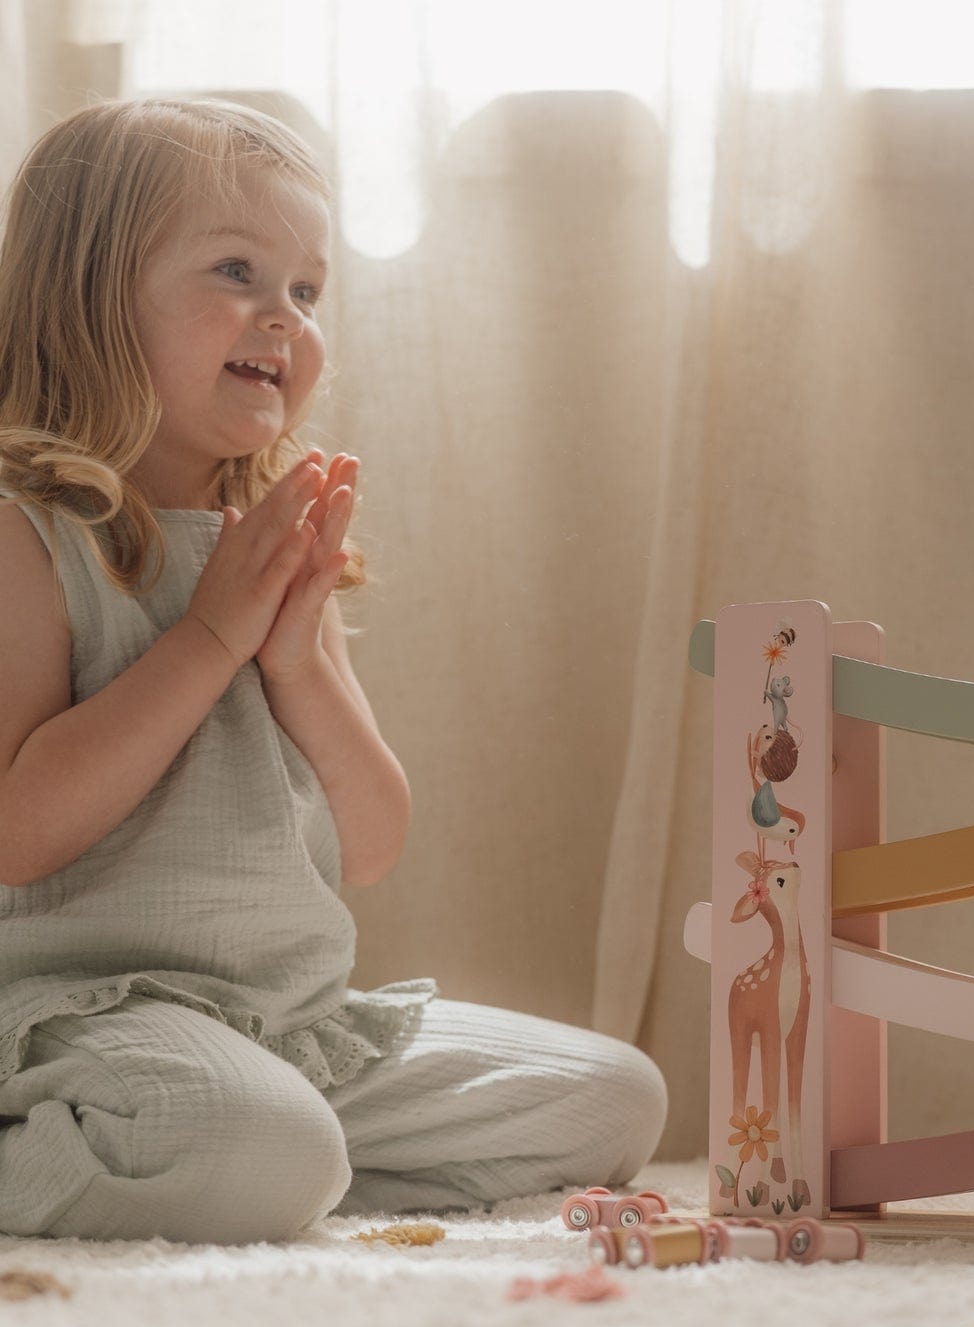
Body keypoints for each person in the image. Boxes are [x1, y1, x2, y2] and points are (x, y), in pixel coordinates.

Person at [0, 98, 666, 1244]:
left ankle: (255, 1155)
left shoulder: (268, 538)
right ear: (93, 296)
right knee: (251, 1136)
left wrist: (298, 660)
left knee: (615, 1094)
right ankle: (185, 1151)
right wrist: (208, 641)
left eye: (306, 291)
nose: (285, 316)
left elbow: (372, 842)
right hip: (80, 1022)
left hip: (287, 1020)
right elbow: (19, 831)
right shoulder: (30, 533)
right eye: (238, 271)